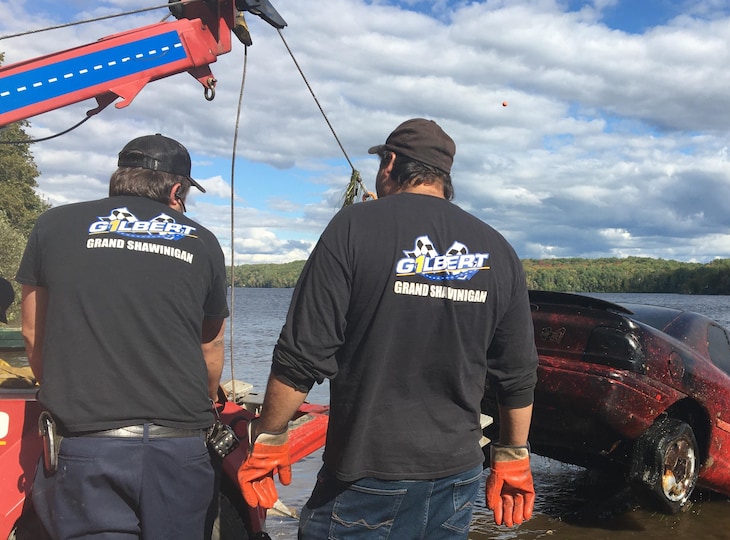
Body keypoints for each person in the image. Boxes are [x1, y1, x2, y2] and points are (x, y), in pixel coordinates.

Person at [237, 118, 539, 538]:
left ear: (390, 163)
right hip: (457, 475)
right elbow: (518, 373)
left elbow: (302, 355)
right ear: (444, 178)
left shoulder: (352, 227)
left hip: (366, 478)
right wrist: (513, 455)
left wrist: (269, 438)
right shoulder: (499, 249)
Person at [16, 133, 229, 539]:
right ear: (175, 189)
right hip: (179, 447)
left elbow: (32, 332)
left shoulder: (54, 225)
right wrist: (202, 403)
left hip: (87, 444)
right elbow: (211, 347)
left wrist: (67, 390)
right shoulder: (202, 240)